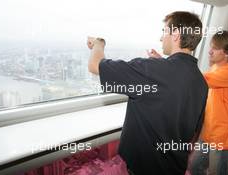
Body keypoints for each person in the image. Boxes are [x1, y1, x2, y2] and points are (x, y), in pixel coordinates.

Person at [87, 11, 208, 175]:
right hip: (175, 167)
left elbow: (95, 65)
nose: (161, 38)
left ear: (176, 34)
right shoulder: (201, 82)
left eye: (164, 31)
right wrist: (162, 64)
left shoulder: (151, 70)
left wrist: (98, 44)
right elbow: (194, 131)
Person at [189, 31, 228, 175]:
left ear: (226, 52)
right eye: (211, 46)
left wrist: (170, 63)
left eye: (215, 48)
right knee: (194, 167)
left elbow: (197, 79)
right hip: (208, 132)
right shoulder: (215, 67)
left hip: (222, 135)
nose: (210, 51)